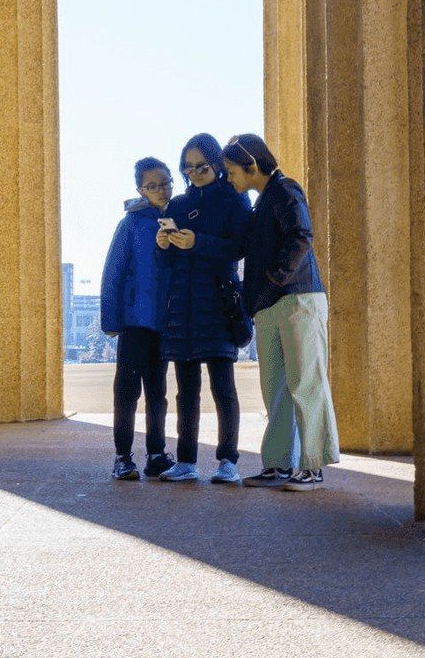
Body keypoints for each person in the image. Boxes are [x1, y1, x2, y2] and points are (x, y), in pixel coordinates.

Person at [223, 132, 339, 490]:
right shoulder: (261, 202)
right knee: (275, 388)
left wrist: (274, 278)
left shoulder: (287, 190)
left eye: (231, 172)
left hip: (298, 299)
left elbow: (301, 236)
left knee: (306, 383)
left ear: (251, 166)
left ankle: (313, 466)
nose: (229, 178)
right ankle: (278, 464)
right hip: (270, 305)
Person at [154, 133, 252, 485]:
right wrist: (164, 244)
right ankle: (186, 461)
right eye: (188, 167)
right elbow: (165, 263)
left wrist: (199, 242)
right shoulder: (177, 204)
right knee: (186, 389)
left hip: (220, 300)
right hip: (182, 304)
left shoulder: (233, 199)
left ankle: (228, 461)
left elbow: (241, 247)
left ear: (216, 163)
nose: (194, 172)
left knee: (223, 386)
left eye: (201, 166)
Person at [99, 157, 176, 481]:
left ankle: (156, 455)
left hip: (163, 324)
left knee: (158, 393)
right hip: (133, 323)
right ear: (141, 190)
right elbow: (112, 272)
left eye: (165, 182)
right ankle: (123, 457)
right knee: (127, 392)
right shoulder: (130, 224)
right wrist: (111, 320)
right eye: (152, 186)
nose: (161, 190)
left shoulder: (177, 219)